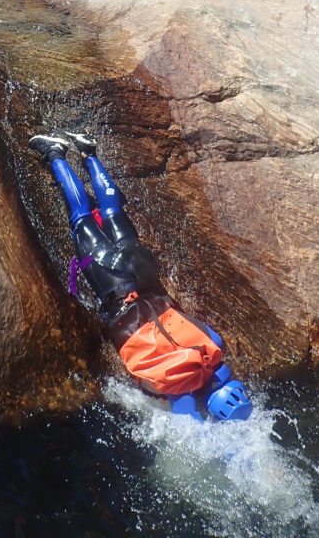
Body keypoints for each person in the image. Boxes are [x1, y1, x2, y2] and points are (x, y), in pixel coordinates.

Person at [28, 131, 254, 422]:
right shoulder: (169, 386)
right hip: (115, 282)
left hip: (144, 272)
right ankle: (55, 153)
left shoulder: (215, 348)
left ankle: (88, 152)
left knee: (112, 210)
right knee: (81, 217)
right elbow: (170, 407)